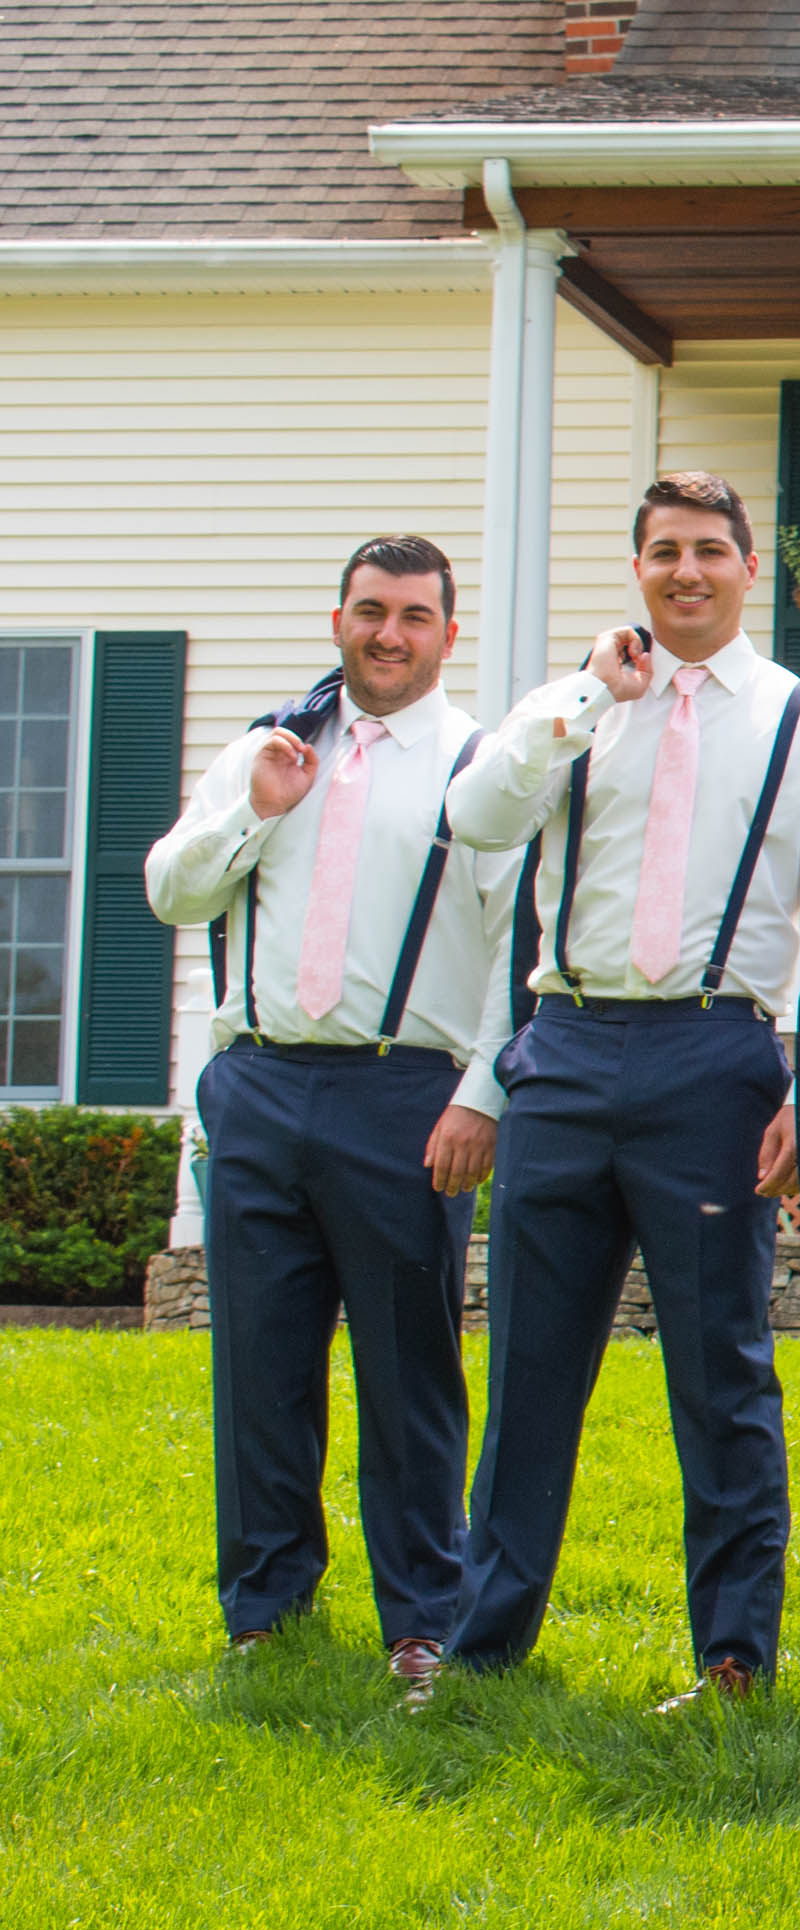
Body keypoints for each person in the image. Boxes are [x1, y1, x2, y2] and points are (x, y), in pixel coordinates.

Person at [440, 469, 800, 1705]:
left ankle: (733, 1657)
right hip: (566, 1048)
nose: (687, 572)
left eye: (709, 551)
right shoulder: (573, 704)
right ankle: (484, 1645)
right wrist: (586, 697)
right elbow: (477, 818)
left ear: (748, 569)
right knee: (529, 1368)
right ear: (636, 568)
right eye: (665, 551)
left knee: (721, 1369)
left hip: (714, 1058)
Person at [145, 537, 515, 1697]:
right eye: (369, 611)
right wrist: (253, 814)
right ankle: (264, 1610)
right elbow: (171, 891)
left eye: (413, 615)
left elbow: (515, 949)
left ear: (448, 633)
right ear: (338, 619)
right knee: (260, 1366)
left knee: (409, 1376)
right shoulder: (269, 746)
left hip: (402, 1095)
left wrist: (481, 1094)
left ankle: (423, 1618)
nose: (388, 634)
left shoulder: (478, 768)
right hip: (257, 1085)